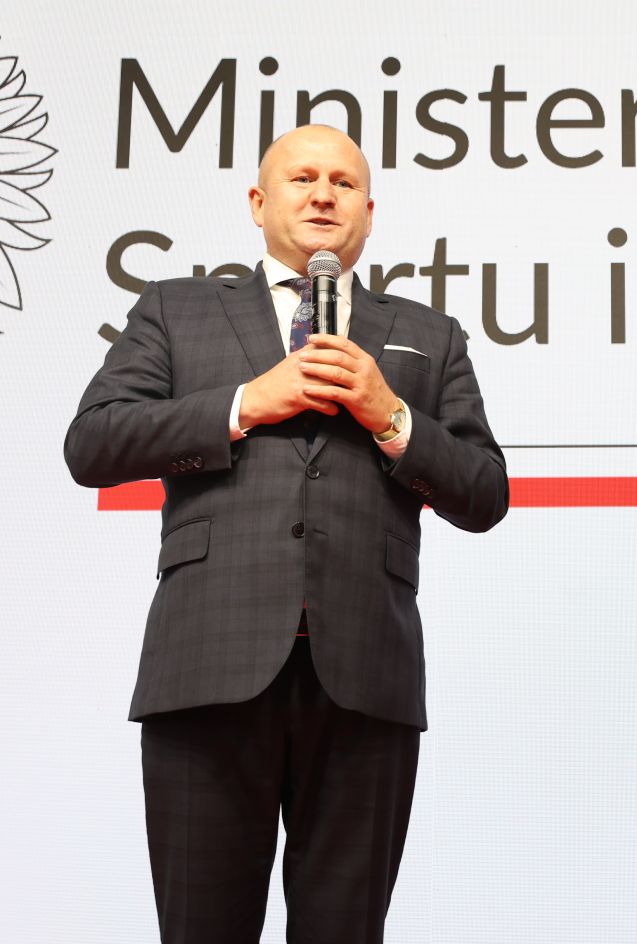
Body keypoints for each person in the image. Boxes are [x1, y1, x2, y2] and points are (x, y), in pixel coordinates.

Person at [64, 124, 508, 944]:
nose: (323, 195)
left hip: (366, 675)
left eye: (344, 183)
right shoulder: (177, 308)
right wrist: (245, 404)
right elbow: (92, 445)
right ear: (258, 201)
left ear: (369, 212)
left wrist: (391, 415)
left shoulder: (428, 333)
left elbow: (484, 493)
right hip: (207, 665)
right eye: (302, 178)